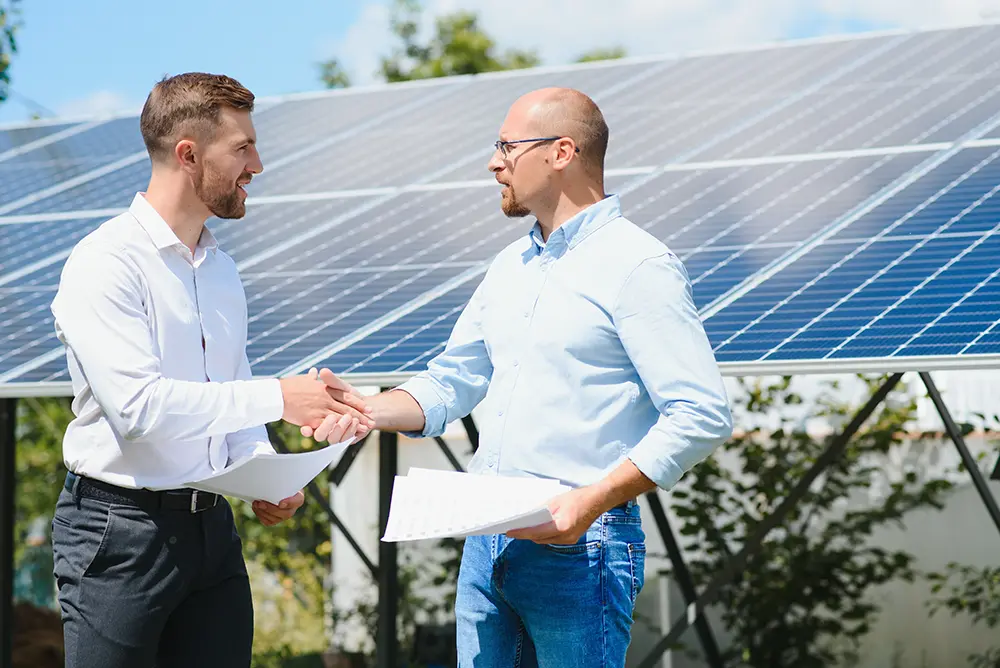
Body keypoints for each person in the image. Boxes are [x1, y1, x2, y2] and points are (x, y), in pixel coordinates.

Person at [307, 87, 733, 666]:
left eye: (507, 146)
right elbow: (453, 380)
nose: (493, 162)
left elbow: (701, 413)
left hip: (584, 547)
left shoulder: (639, 266)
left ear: (562, 152)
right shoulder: (510, 266)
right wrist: (367, 408)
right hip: (487, 540)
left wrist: (590, 501)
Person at [48, 72, 375, 668]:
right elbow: (140, 411)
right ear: (189, 155)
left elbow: (229, 380)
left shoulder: (222, 270)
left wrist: (267, 471)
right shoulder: (104, 262)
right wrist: (279, 399)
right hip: (118, 535)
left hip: (212, 533)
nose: (258, 163)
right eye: (243, 147)